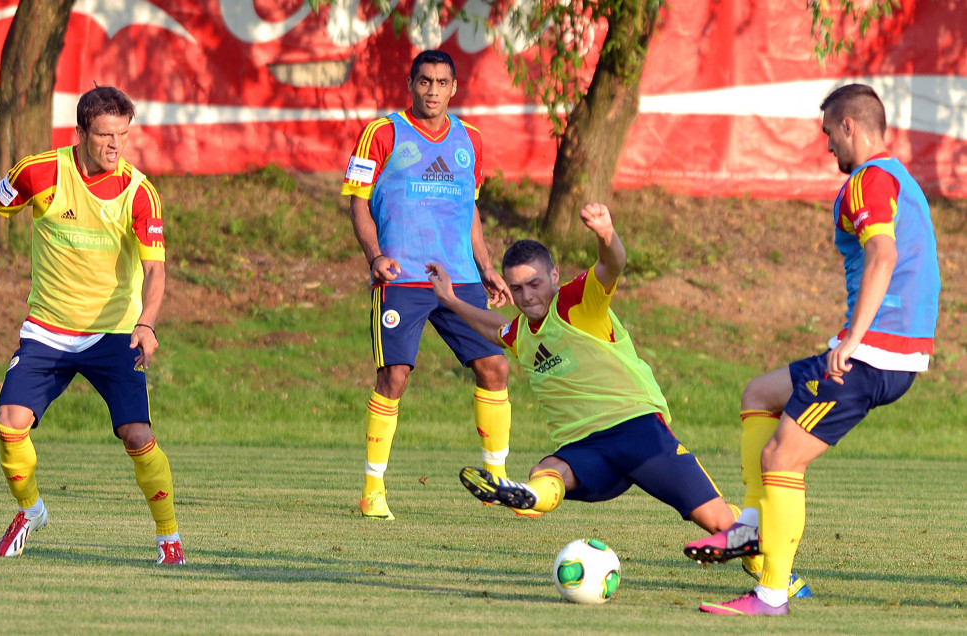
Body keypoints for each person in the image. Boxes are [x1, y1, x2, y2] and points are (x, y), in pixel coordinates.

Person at [427, 202, 809, 596]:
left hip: (638, 432)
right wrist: (452, 301)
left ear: (554, 276)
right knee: (550, 468)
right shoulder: (523, 331)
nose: (526, 296)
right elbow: (497, 330)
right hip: (586, 449)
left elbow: (612, 265)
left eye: (535, 284)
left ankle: (773, 572)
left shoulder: (575, 302)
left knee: (717, 523)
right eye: (518, 288)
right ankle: (526, 495)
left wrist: (606, 233)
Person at [686, 84, 940, 615]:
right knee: (760, 393)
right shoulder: (900, 177)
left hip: (871, 356)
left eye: (828, 134)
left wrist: (852, 341)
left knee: (781, 458)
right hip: (890, 351)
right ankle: (751, 528)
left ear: (850, 126)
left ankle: (771, 594)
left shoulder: (868, 180)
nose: (826, 147)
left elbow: (883, 256)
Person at [0, 86, 185, 565]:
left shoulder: (139, 193)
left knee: (138, 436)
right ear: (80, 133)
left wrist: (146, 322)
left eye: (123, 134)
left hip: (113, 333)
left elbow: (156, 269)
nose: (115, 146)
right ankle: (31, 511)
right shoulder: (39, 172)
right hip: (47, 329)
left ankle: (168, 536)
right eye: (105, 135)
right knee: (8, 425)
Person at [340, 50, 513, 520]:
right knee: (394, 376)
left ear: (454, 87)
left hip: (459, 277)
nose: (432, 90)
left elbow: (469, 208)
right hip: (402, 277)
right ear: (410, 84)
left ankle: (497, 481)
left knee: (495, 367)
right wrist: (375, 257)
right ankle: (373, 490)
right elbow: (357, 202)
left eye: (441, 82)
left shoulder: (471, 140)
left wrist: (487, 266)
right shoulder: (382, 133)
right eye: (424, 81)